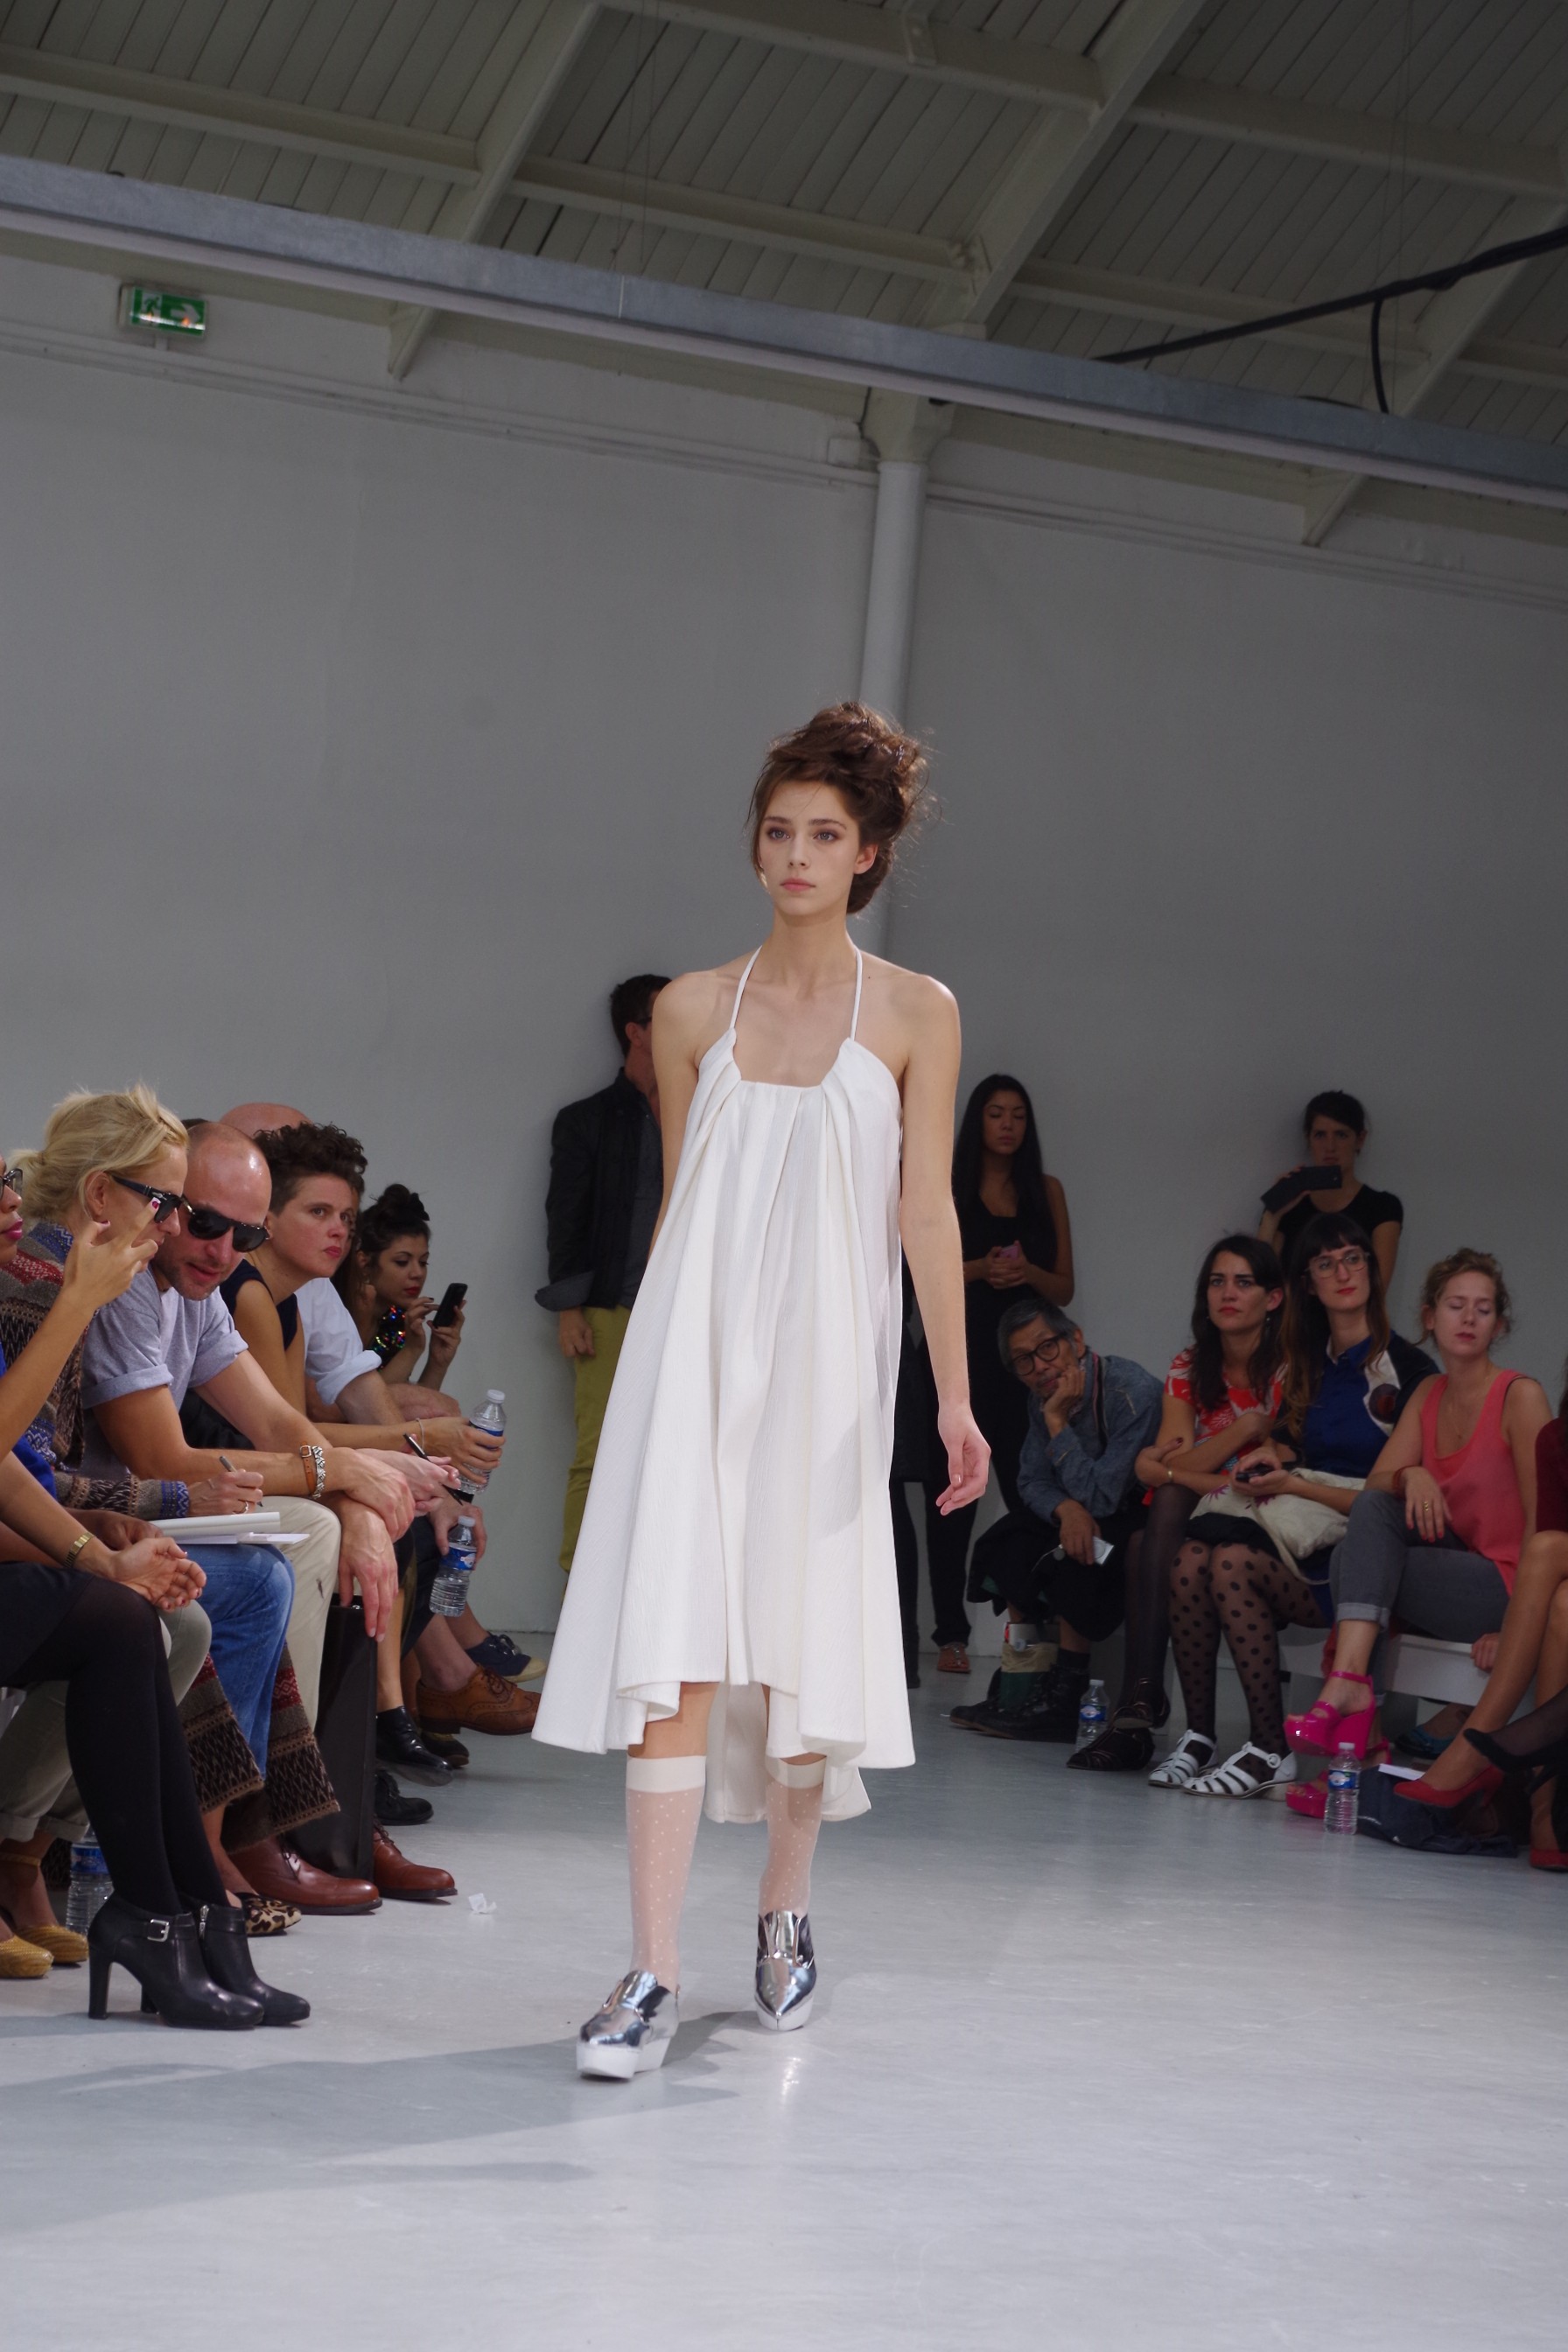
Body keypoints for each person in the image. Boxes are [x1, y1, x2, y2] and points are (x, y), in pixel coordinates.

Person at [534, 702, 988, 2079]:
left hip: (830, 1366)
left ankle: (785, 1912)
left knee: (800, 1646)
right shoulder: (690, 1009)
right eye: (779, 831)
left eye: (826, 835)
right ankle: (650, 1972)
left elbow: (925, 1212)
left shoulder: (916, 1012)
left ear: (870, 854)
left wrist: (955, 1400)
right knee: (672, 1649)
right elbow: (688, 1205)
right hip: (695, 1355)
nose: (797, 855)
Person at [75, 1119, 422, 1914]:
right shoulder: (247, 1294)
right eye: (319, 1214)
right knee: (283, 1564)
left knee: (351, 1536)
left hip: (157, 1504)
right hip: (114, 1513)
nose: (226, 1248)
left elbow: (297, 1416)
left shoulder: (301, 1296)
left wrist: (362, 1484)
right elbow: (181, 1454)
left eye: (247, 1233)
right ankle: (253, 1824)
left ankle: (301, 1810)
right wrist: (360, 1465)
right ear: (164, 1205)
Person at [206, 1120, 458, 1902]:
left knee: (393, 1525)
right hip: (229, 1483)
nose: (339, 1232)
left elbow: (317, 1415)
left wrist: (431, 1367)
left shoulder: (317, 1299)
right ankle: (326, 1802)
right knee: (358, 1533)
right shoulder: (307, 1295)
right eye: (319, 1213)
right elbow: (307, 1420)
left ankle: (347, 1803)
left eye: (347, 1217)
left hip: (273, 1471)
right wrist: (408, 1441)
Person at [1152, 1214, 1433, 1798]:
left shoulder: (1409, 1370)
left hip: (1358, 1550)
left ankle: (1269, 1748)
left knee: (1228, 1563)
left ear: (1372, 1270)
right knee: (1189, 1561)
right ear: (1308, 1283)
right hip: (1297, 1524)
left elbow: (1384, 1498)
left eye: (1354, 1257)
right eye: (1326, 1263)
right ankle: (1200, 1736)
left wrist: (1295, 1485)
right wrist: (1269, 1458)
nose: (1343, 1272)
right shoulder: (1306, 1361)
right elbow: (1292, 1444)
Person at [1285, 1250, 1550, 1771]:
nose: (1468, 1318)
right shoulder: (1429, 1391)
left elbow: (1549, 1525)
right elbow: (1376, 1488)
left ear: (1499, 1325)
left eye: (1483, 1309)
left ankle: (1357, 1719)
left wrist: (1519, 1628)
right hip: (1454, 1574)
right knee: (1375, 1511)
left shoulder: (1520, 1397)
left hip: (1512, 1585)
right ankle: (1354, 1698)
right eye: (1455, 1306)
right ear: (1430, 1317)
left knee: (1351, 1562)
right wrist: (1411, 1475)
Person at [1071, 1236, 1287, 1774]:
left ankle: (1140, 1702)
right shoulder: (1190, 1365)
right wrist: (1242, 1430)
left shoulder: (1289, 1367)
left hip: (1265, 1507)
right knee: (1146, 1532)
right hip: (1204, 1510)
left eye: (1243, 1282)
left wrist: (1167, 1472)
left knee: (1159, 1512)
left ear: (1273, 1298)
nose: (1227, 1293)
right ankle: (1142, 1703)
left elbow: (1250, 1476)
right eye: (1217, 1282)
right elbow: (1182, 1459)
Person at [920, 1073, 1074, 1675]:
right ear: (976, 1121)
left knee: (1032, 1493)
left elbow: (1064, 1287)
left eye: (1018, 1115)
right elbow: (918, 1272)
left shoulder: (1046, 1190)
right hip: (959, 1357)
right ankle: (950, 1635)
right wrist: (981, 1269)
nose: (1007, 1125)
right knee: (952, 1496)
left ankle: (1037, 1631)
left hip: (1028, 1366)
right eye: (995, 1114)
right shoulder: (948, 1186)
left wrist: (1026, 1273)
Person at [954, 1298, 1161, 1741]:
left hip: (1137, 1516)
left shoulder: (1132, 1393)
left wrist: (1056, 1423)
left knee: (1078, 1552)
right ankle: (1021, 1685)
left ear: (1076, 1341)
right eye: (1024, 1361)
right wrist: (1067, 1510)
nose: (1040, 1367)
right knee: (1010, 1540)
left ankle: (1065, 1697)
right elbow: (1030, 1480)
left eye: (1047, 1347)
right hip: (1080, 1509)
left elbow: (1105, 1497)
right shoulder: (1042, 1398)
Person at [1404, 1379, 1568, 1865]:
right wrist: (1517, 1625)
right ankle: (1545, 1815)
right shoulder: (1558, 1438)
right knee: (1562, 1605)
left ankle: (1479, 1744)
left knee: (1545, 1548)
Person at [538, 972, 669, 1579]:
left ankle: (652, 1601)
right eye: (667, 1016)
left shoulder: (708, 1113)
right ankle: (580, 1596)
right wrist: (570, 1308)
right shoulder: (587, 1120)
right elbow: (566, 1217)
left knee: (677, 1457)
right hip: (610, 1308)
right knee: (600, 1455)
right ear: (635, 1032)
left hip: (684, 1309)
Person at [1257, 1089, 1403, 1289]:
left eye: (1341, 1135)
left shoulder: (1382, 1207)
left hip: (1356, 1310)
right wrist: (1272, 1215)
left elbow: (1377, 1289)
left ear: (1360, 1139)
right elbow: (1260, 1283)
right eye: (1320, 1135)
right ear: (1308, 1138)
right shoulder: (1291, 1206)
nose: (1330, 1146)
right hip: (1290, 1310)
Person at [336, 1184, 464, 1399]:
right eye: (402, 1262)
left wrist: (437, 1362)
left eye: (423, 1262)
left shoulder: (397, 1320)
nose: (418, 1273)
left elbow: (410, 1406)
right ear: (364, 1263)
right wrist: (411, 1350)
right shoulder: (337, 1312)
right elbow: (360, 1404)